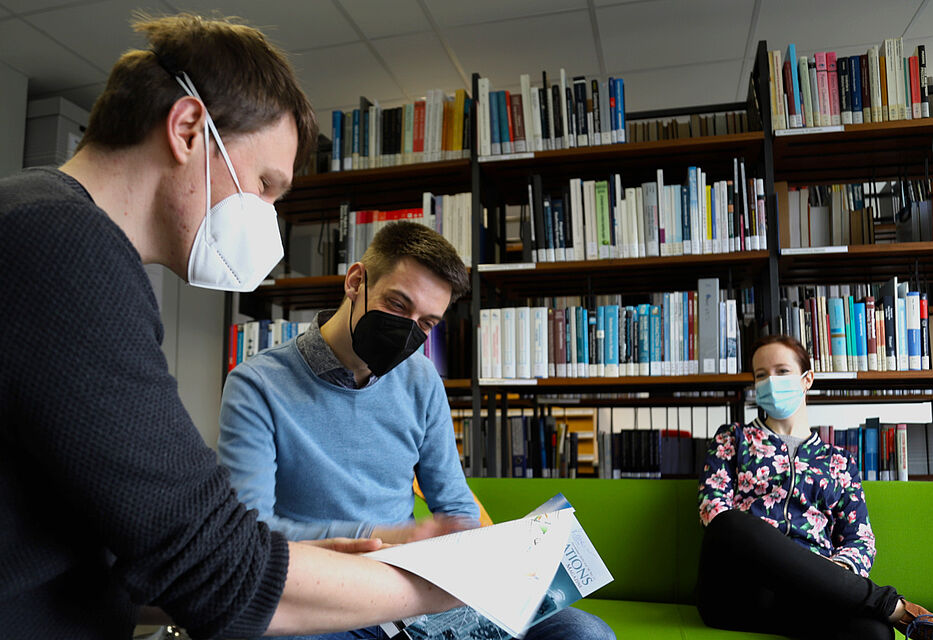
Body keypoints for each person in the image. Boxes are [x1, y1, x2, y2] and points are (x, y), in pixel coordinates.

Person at [0, 14, 461, 639]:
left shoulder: (49, 230)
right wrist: (445, 582)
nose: (267, 218)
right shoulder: (63, 247)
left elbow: (135, 552)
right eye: (267, 187)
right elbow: (210, 562)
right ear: (188, 129)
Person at [218, 221, 616, 640]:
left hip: (409, 592)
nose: (409, 330)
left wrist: (497, 552)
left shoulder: (421, 380)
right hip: (319, 595)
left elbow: (456, 505)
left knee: (583, 631)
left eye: (426, 323)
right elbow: (250, 534)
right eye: (396, 304)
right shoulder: (257, 384)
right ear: (356, 281)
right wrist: (378, 536)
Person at [696, 334, 933, 640]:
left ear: (807, 379)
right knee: (727, 523)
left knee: (876, 634)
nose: (770, 381)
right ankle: (897, 608)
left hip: (809, 596)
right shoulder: (732, 439)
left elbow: (861, 540)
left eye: (782, 371)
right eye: (761, 375)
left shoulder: (840, 461)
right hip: (738, 590)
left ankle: (889, 614)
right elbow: (711, 511)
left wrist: (826, 570)